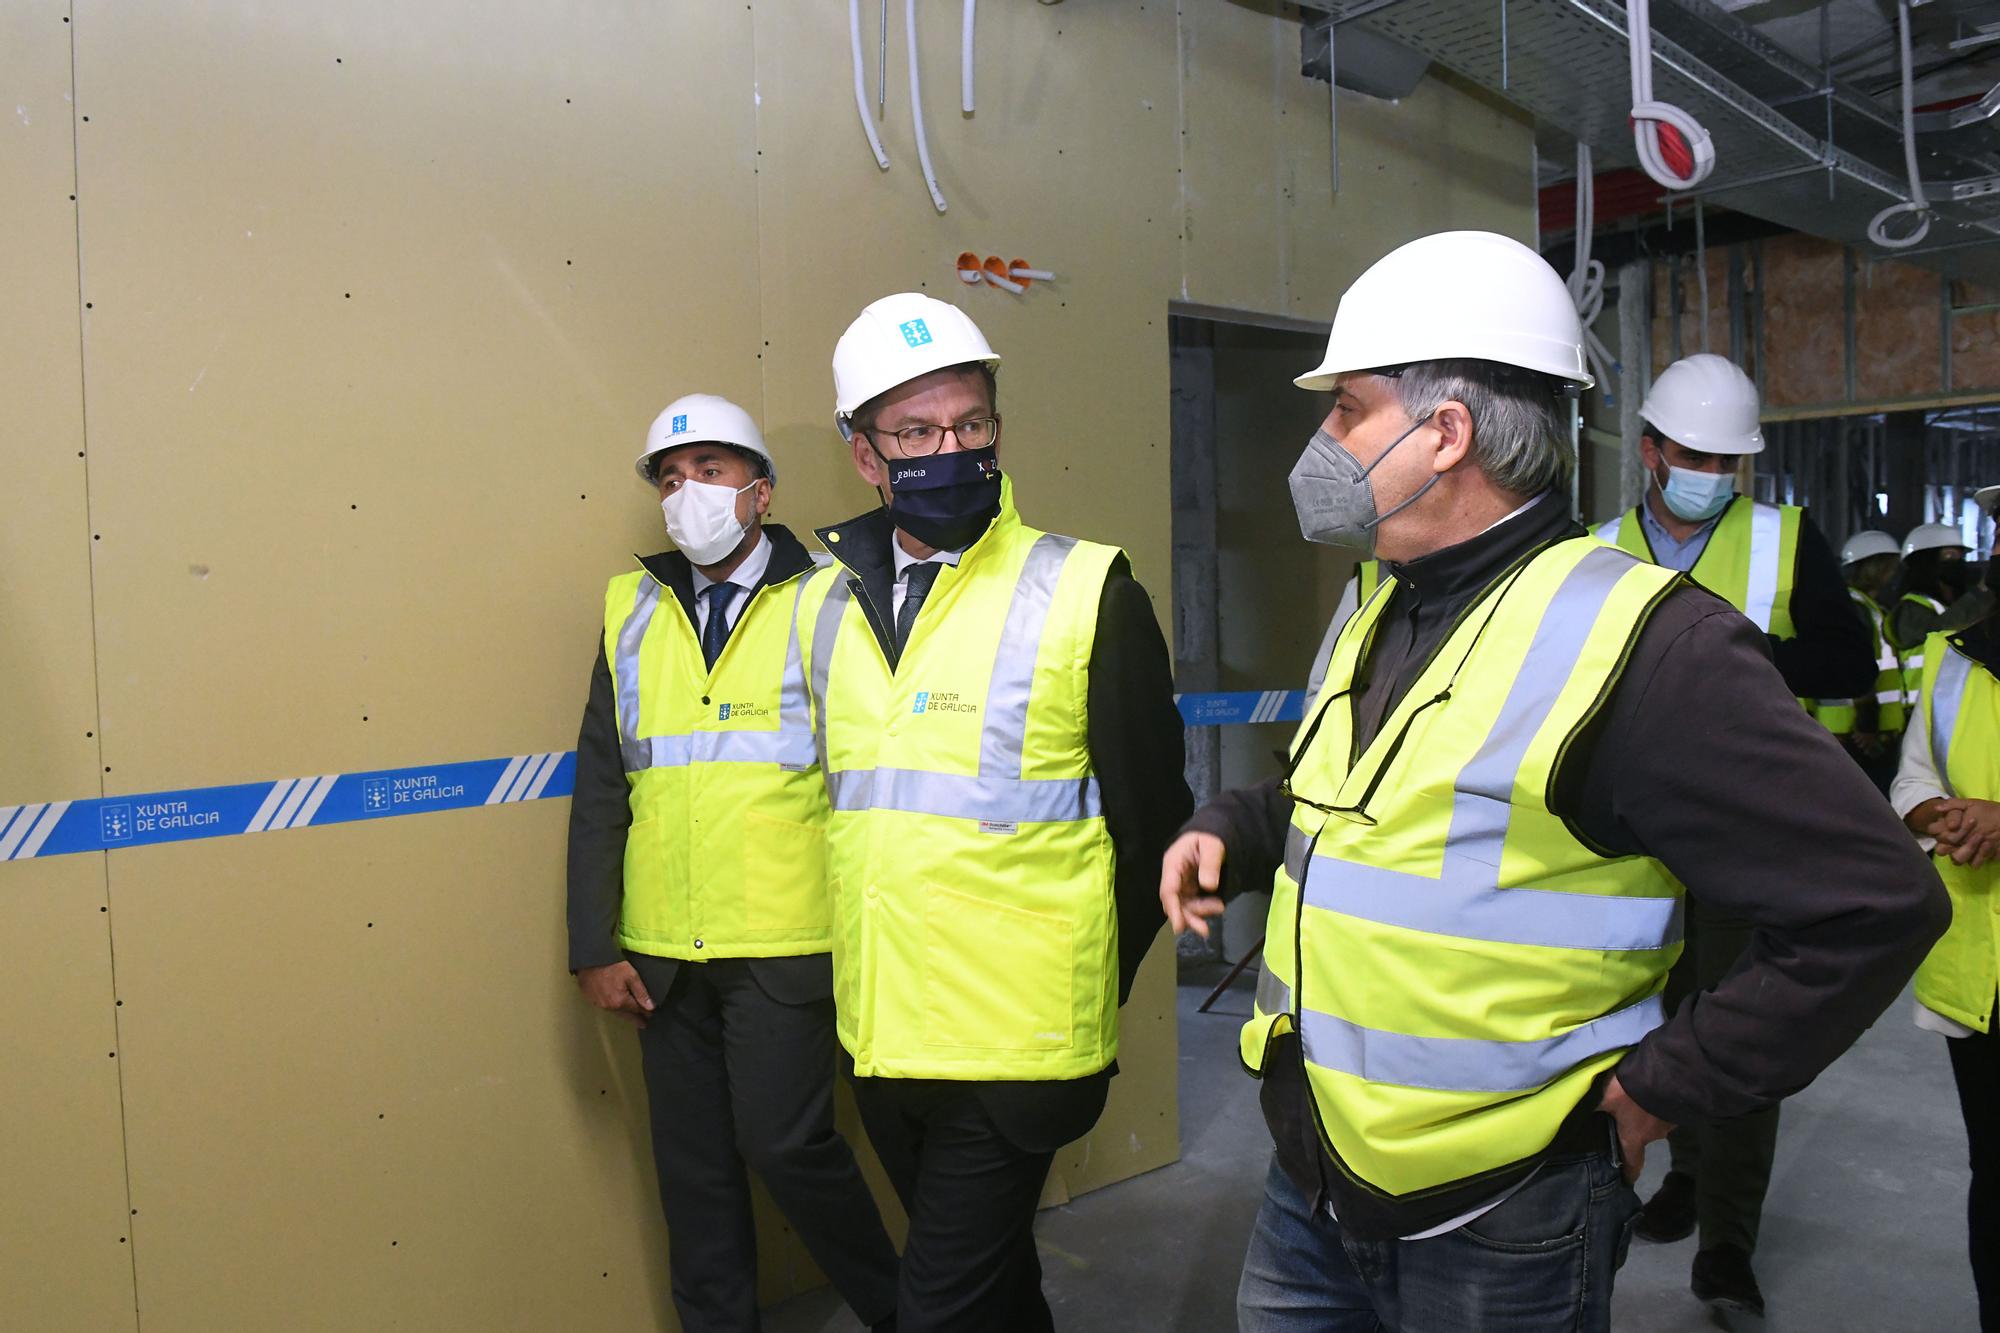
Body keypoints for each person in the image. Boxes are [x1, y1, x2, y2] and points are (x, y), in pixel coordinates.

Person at [1156, 230, 1947, 1332]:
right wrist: (1234, 827)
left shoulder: (1650, 645)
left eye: (1344, 410)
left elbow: (1872, 904)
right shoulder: (1387, 598)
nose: (1321, 440)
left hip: (1502, 1213)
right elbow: (1356, 797)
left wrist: (1665, 1085)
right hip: (1311, 1174)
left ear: (1444, 435)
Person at [796, 294, 1191, 1331]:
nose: (950, 450)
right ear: (862, 454)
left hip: (1017, 1045)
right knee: (989, 1286)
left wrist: (1079, 979)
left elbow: (1154, 820)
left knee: (938, 1307)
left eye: (971, 425)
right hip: (883, 1033)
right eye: (916, 433)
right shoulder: (820, 604)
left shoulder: (1085, 590)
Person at [566, 394, 898, 1333]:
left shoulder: (832, 593)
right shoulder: (632, 607)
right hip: (663, 949)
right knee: (694, 1173)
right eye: (671, 478)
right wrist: (595, 943)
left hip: (786, 941)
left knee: (787, 1146)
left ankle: (910, 1313)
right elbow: (603, 783)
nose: (687, 494)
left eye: (709, 471)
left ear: (760, 490)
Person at [1590, 354, 1875, 1304]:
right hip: (1629, 843)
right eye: (1692, 452)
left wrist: (1740, 661)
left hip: (1748, 840)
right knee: (1656, 1021)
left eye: (1728, 458)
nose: (1711, 471)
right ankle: (1685, 1177)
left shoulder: (1786, 540)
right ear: (1650, 450)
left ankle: (1729, 1238)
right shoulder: (1594, 549)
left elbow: (1848, 657)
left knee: (1741, 1035)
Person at [1893, 562, 2000, 1332]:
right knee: (1994, 1178)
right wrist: (1933, 810)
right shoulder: (1951, 654)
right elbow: (1911, 776)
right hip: (1981, 978)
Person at [1823, 529, 1909, 789]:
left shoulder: (1864, 605)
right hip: (1855, 735)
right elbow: (1856, 665)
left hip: (1856, 732)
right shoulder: (1855, 606)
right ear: (1875, 568)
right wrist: (1867, 724)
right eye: (1890, 567)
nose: (1894, 575)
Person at [1892, 522, 1976, 656]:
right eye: (1949, 555)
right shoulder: (1911, 609)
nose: (1958, 562)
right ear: (1924, 561)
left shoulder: (1949, 605)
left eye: (1960, 556)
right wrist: (1982, 595)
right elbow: (1938, 632)